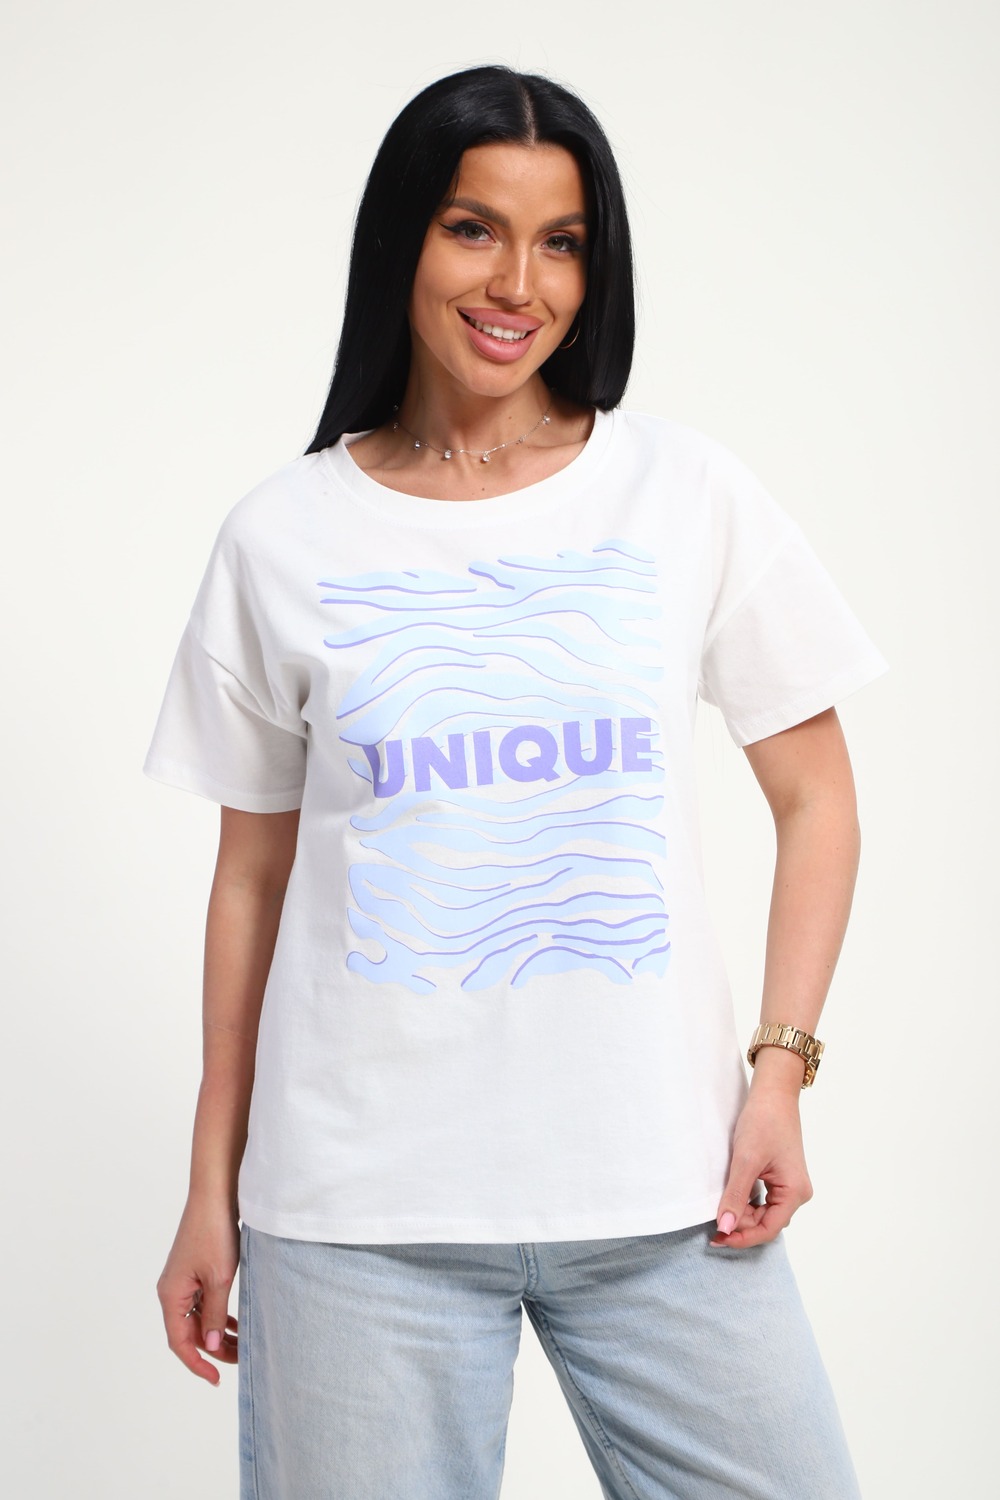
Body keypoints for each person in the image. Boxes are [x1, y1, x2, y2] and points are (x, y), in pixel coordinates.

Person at [144, 64, 887, 1500]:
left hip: (668, 1190)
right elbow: (250, 881)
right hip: (360, 1220)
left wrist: (780, 1070)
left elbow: (819, 799)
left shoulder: (682, 493)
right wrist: (207, 1187)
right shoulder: (282, 537)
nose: (518, 284)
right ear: (402, 242)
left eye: (562, 243)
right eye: (473, 228)